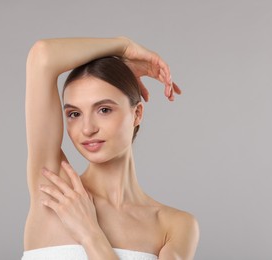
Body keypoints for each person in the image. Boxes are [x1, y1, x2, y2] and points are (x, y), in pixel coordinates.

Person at [22, 37, 199, 260]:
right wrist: (123, 46)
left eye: (104, 110)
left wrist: (90, 235)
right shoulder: (56, 192)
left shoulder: (174, 226)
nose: (87, 129)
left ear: (137, 114)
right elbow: (42, 55)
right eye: (74, 114)